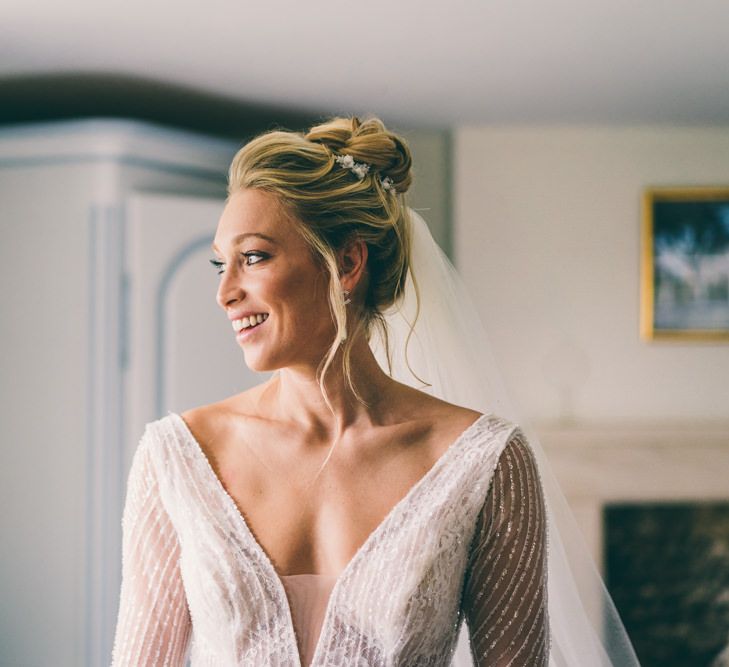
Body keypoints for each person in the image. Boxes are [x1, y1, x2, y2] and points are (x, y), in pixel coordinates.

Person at [111, 116, 639, 666]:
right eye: (221, 264)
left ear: (346, 262)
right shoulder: (178, 458)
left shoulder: (484, 463)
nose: (225, 292)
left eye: (254, 257)